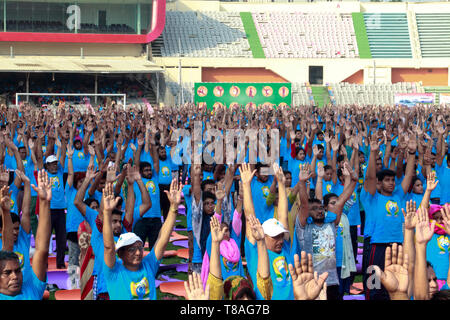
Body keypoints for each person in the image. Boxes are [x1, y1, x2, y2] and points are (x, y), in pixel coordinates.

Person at [102, 178, 182, 300]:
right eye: (132, 250)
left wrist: (173, 208)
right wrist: (107, 213)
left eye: (139, 247)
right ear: (121, 253)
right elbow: (108, 248)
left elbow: (162, 239)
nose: (138, 252)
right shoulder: (114, 271)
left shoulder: (148, 265)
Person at [0, 170, 52, 299]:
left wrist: (44, 203)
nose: (15, 276)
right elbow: (7, 245)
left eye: (18, 271)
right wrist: (5, 213)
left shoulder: (32, 287)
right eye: (7, 272)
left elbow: (42, 250)